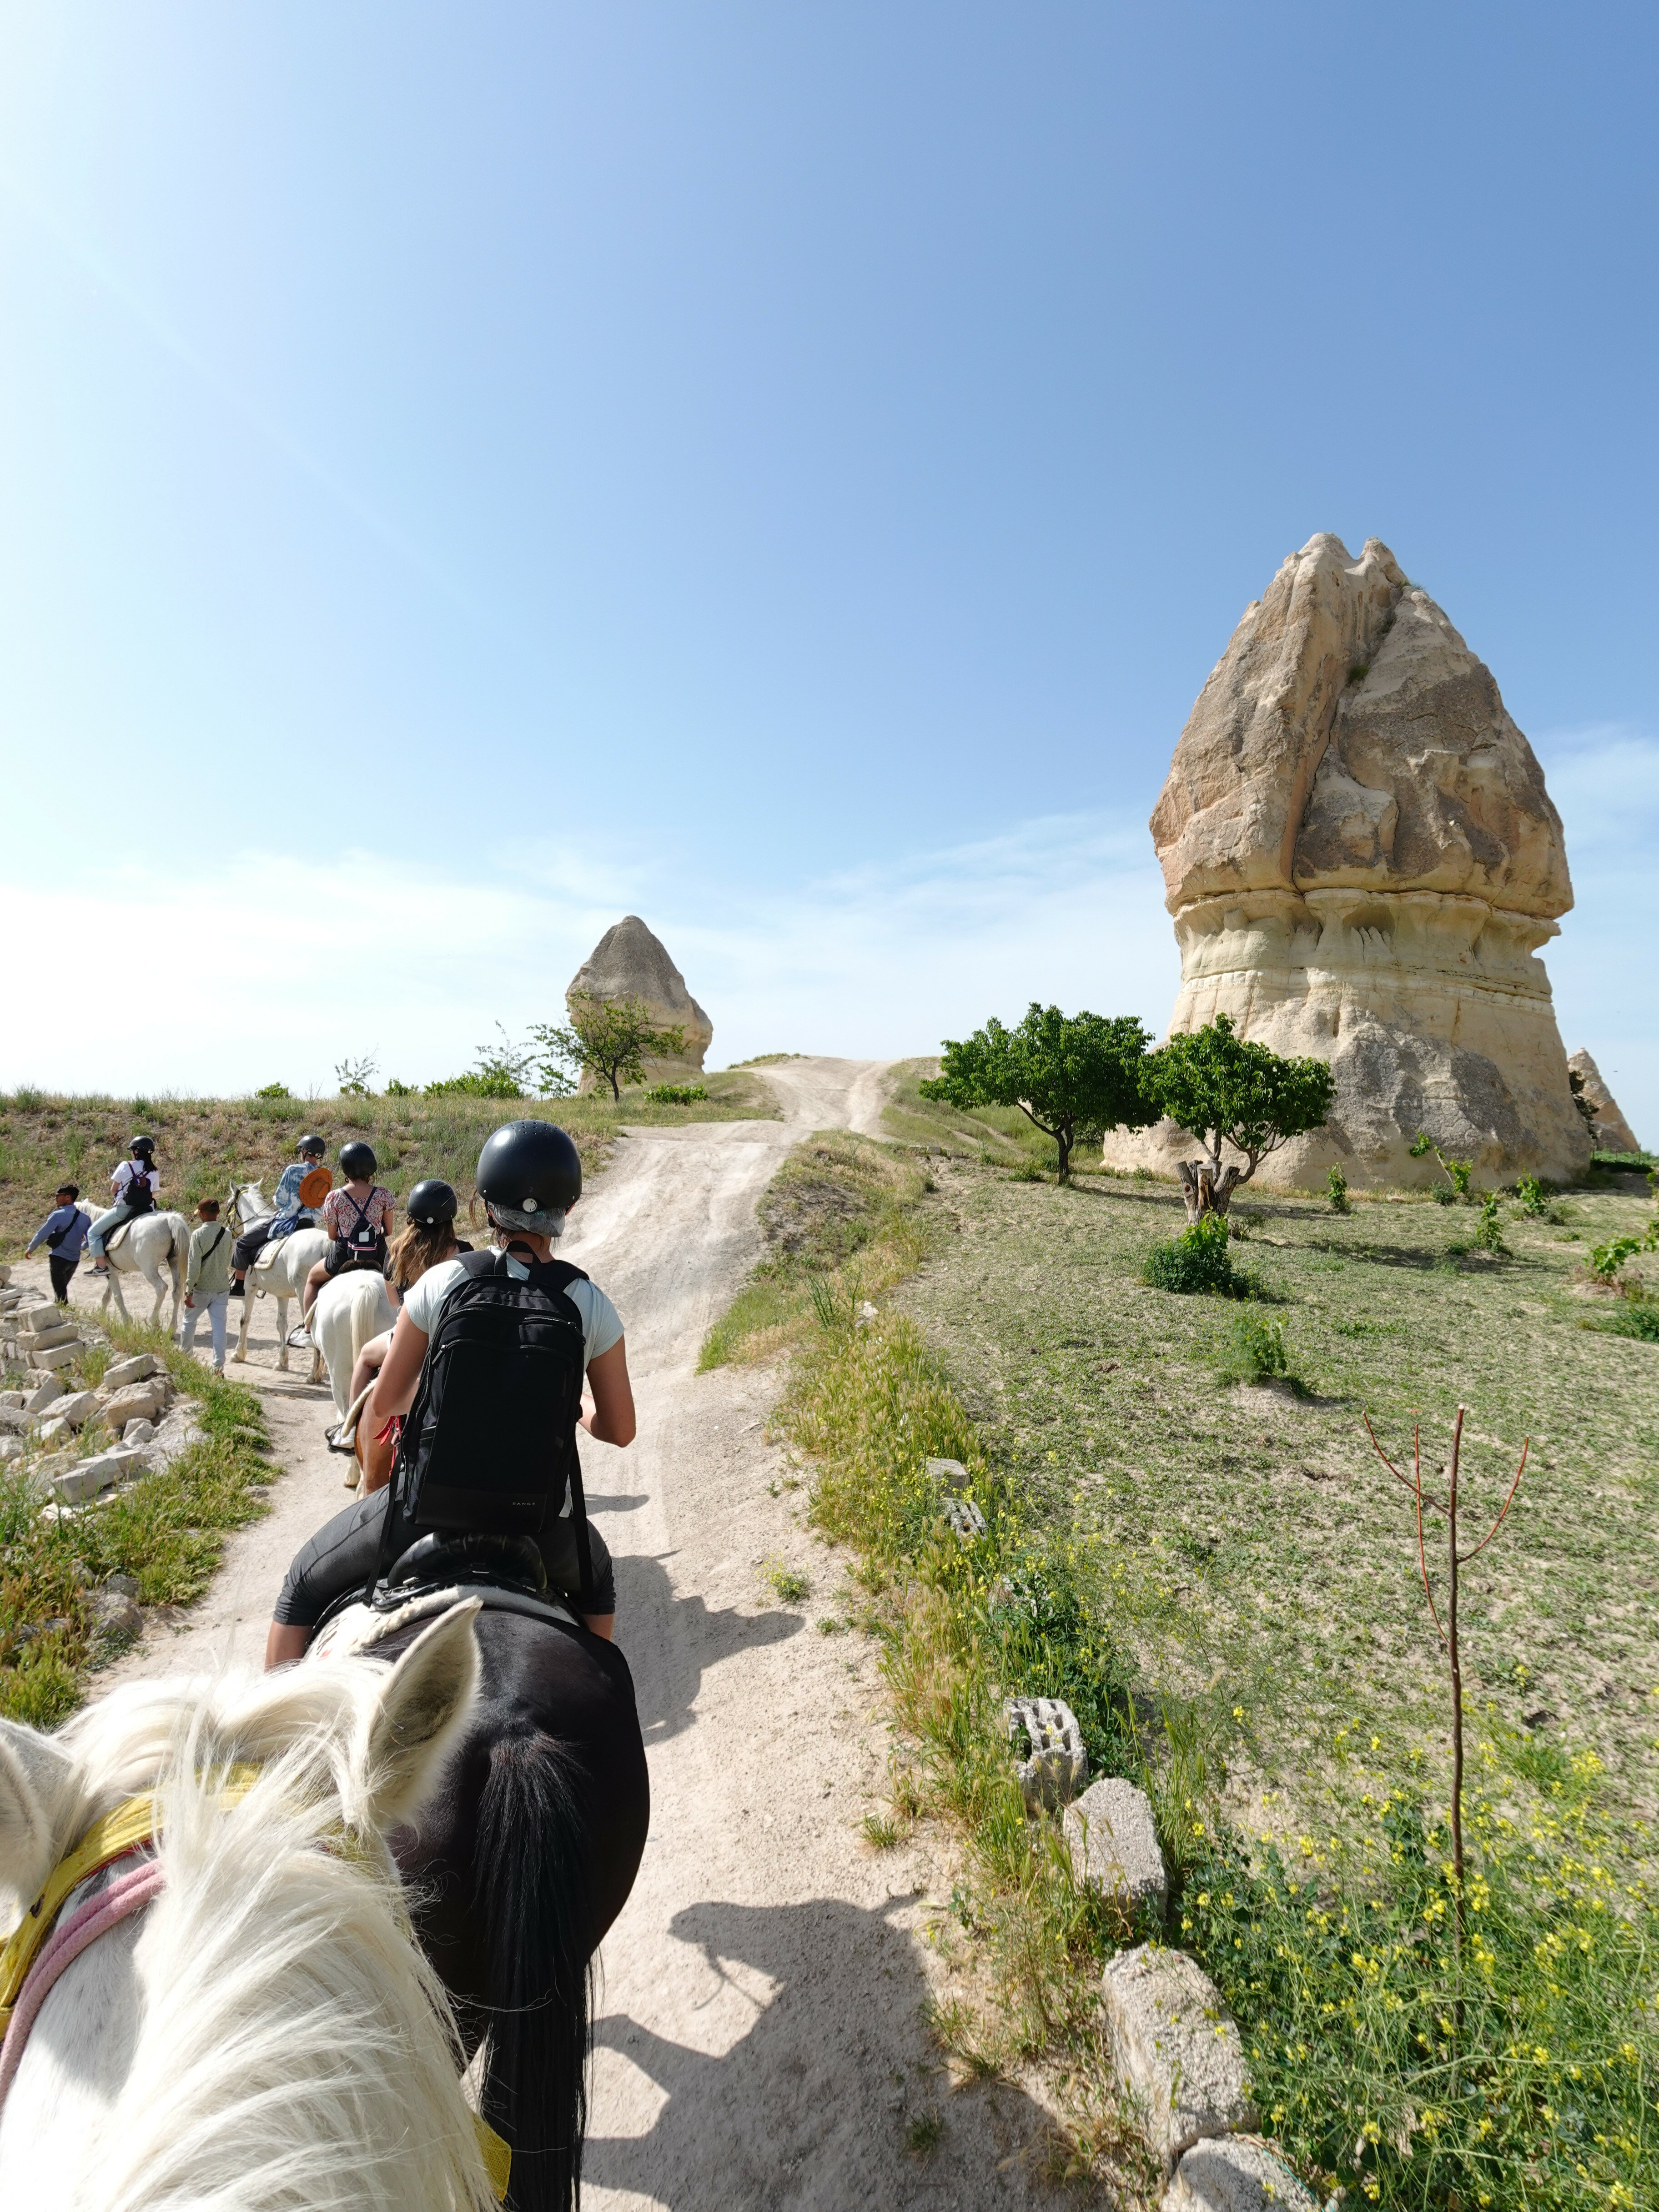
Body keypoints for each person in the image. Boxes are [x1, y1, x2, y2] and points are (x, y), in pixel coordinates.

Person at [266, 1120, 633, 1667]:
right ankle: (603, 1692)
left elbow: (387, 1400)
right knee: (600, 1591)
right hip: (540, 1521)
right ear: (569, 1209)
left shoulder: (444, 1281)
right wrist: (577, 1408)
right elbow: (620, 1431)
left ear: (483, 1206)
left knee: (299, 1587)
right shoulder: (591, 1302)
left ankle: (264, 1743)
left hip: (427, 1510)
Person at [329, 1178, 472, 1452]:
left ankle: (349, 1430)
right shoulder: (462, 1251)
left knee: (366, 1358)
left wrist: (402, 1316)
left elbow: (392, 1290)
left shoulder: (398, 1249)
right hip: (451, 1335)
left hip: (409, 1333)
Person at [295, 1142, 394, 1333]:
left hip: (345, 1254)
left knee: (312, 1280)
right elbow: (388, 1231)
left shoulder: (334, 1198)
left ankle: (307, 1330)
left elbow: (333, 1236)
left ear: (345, 1168)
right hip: (377, 1253)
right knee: (402, 1281)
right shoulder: (383, 1195)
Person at [231, 1133, 328, 1297]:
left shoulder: (293, 1170)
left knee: (242, 1242)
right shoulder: (324, 1176)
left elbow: (280, 1201)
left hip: (288, 1221)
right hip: (310, 1223)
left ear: (305, 1151)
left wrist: (276, 1199)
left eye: (301, 1150)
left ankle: (239, 1287)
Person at [87, 1137, 160, 1273]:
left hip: (124, 1210)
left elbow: (113, 1190)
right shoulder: (154, 1171)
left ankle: (101, 1267)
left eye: (133, 1150)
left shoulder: (125, 1165)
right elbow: (152, 1194)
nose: (132, 1153)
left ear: (137, 1151)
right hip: (147, 1210)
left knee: (93, 1233)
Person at [179, 1198, 234, 1374]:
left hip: (201, 1289)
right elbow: (227, 1261)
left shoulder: (197, 1235)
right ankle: (218, 1368)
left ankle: (185, 1360)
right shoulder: (227, 1234)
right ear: (218, 1213)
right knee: (219, 1328)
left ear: (202, 1215)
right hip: (221, 1288)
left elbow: (194, 1265)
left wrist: (189, 1291)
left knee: (189, 1322)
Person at [26, 1185, 92, 1304]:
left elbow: (42, 1234)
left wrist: (31, 1248)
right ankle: (61, 1311)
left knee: (61, 1295)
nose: (56, 1198)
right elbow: (89, 1239)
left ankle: (64, 1315)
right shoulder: (85, 1218)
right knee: (61, 1291)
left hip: (59, 1259)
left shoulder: (58, 1215)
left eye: (58, 1196)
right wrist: (81, 1247)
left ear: (68, 1198)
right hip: (74, 1260)